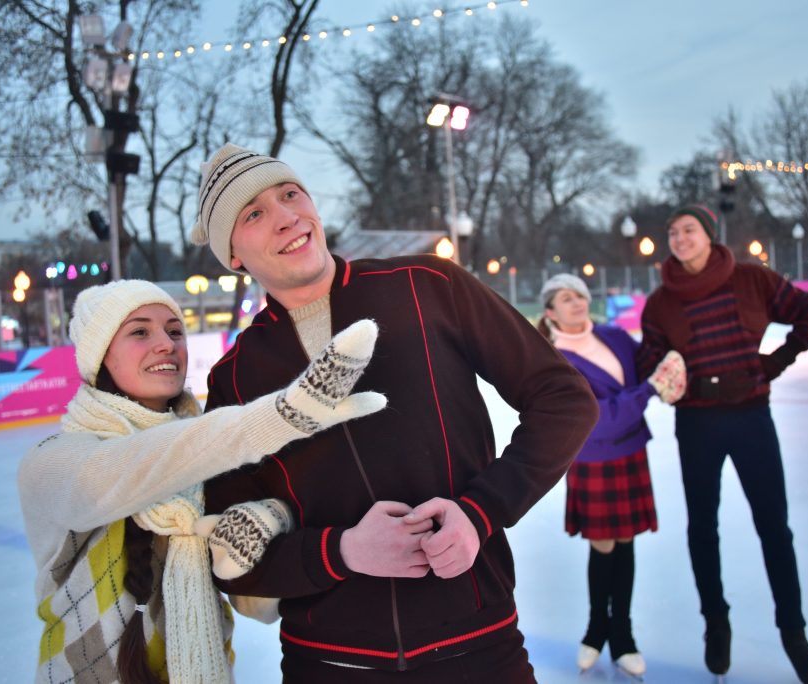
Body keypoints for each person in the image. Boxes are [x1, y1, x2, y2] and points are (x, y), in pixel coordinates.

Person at [189, 143, 598, 682]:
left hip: (477, 645)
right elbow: (230, 552)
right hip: (327, 662)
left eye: (290, 194)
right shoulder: (234, 377)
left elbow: (564, 399)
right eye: (254, 214)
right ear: (233, 254)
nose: (286, 217)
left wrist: (480, 512)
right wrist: (342, 551)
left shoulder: (427, 285)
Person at [17, 279, 385, 684]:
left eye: (175, 330)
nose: (166, 344)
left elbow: (256, 607)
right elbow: (123, 471)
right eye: (140, 331)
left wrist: (267, 521)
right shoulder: (51, 461)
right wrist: (282, 417)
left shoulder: (204, 467)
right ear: (99, 356)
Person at [636, 205, 808, 684]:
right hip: (697, 425)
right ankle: (715, 623)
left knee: (774, 526)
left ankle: (793, 631)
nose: (679, 239)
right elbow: (650, 360)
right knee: (703, 527)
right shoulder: (661, 302)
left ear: (709, 235)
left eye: (688, 230)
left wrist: (776, 361)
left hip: (750, 417)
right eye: (673, 233)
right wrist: (661, 376)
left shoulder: (752, 280)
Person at [537, 273, 686, 678]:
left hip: (630, 452)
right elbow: (598, 420)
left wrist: (670, 366)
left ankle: (622, 635)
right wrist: (650, 390)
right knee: (602, 545)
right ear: (550, 311)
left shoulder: (615, 337)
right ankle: (595, 629)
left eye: (580, 296)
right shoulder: (553, 358)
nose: (577, 303)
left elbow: (647, 368)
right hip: (593, 459)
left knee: (624, 541)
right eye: (566, 299)